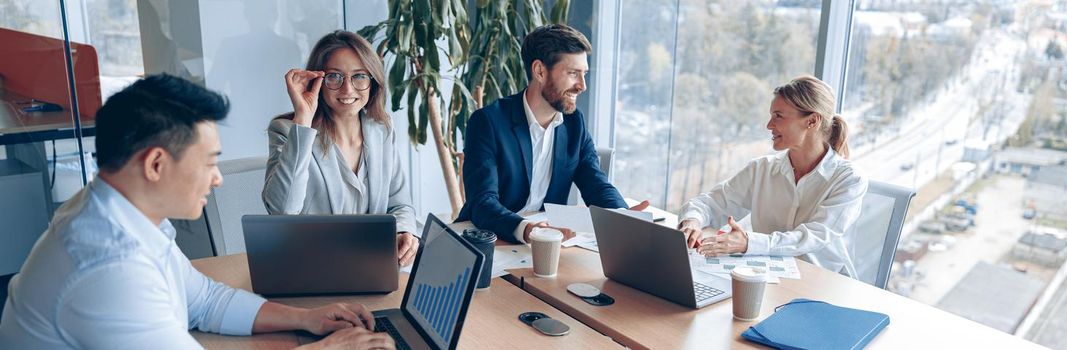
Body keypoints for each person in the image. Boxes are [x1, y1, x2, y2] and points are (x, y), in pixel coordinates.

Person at [0, 74, 391, 349]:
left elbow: (204, 301)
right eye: (208, 162)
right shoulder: (109, 265)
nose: (218, 179)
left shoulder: (119, 212)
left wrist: (307, 319)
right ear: (156, 164)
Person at [456, 24, 648, 243]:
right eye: (573, 73)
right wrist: (527, 229)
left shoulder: (574, 123)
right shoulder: (488, 122)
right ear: (539, 71)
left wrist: (622, 216)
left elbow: (595, 182)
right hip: (491, 237)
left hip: (548, 240)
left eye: (584, 74)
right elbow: (482, 203)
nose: (582, 86)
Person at [678, 75, 868, 277]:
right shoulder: (762, 169)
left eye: (778, 116)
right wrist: (692, 221)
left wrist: (748, 243)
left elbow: (813, 236)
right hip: (765, 277)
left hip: (823, 282)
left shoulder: (849, 179)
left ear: (812, 121)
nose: (769, 125)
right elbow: (710, 202)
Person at [264, 30, 418, 266]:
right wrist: (303, 120)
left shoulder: (382, 130)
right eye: (335, 76)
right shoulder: (287, 131)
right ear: (318, 81)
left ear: (373, 81)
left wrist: (404, 231)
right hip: (312, 267)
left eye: (359, 76)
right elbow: (282, 213)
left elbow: (399, 204)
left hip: (372, 266)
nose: (347, 89)